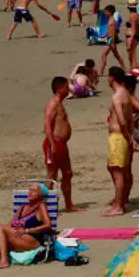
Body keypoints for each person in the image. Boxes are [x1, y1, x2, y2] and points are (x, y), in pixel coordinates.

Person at [43, 76, 80, 212]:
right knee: (52, 175)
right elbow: (47, 124)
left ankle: (69, 205)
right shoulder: (53, 103)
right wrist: (52, 144)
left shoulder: (60, 103)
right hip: (54, 143)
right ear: (59, 89)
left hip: (61, 144)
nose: (68, 89)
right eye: (66, 87)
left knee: (68, 173)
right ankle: (44, 207)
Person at [103, 67, 136, 217]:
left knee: (117, 172)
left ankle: (118, 206)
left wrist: (129, 138)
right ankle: (120, 203)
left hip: (118, 136)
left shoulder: (117, 96)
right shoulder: (127, 95)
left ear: (111, 78)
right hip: (123, 136)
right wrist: (132, 138)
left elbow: (122, 121)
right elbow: (130, 120)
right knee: (117, 170)